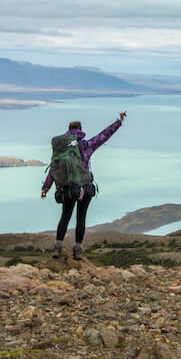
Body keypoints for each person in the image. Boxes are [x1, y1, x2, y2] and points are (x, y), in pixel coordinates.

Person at [41, 111, 126, 260]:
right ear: (80, 130)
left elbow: (55, 168)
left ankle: (57, 247)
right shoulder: (86, 145)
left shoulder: (62, 148)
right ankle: (78, 249)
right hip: (85, 187)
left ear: (68, 131)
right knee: (81, 218)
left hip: (68, 188)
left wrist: (46, 188)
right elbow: (104, 135)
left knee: (65, 217)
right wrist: (118, 121)